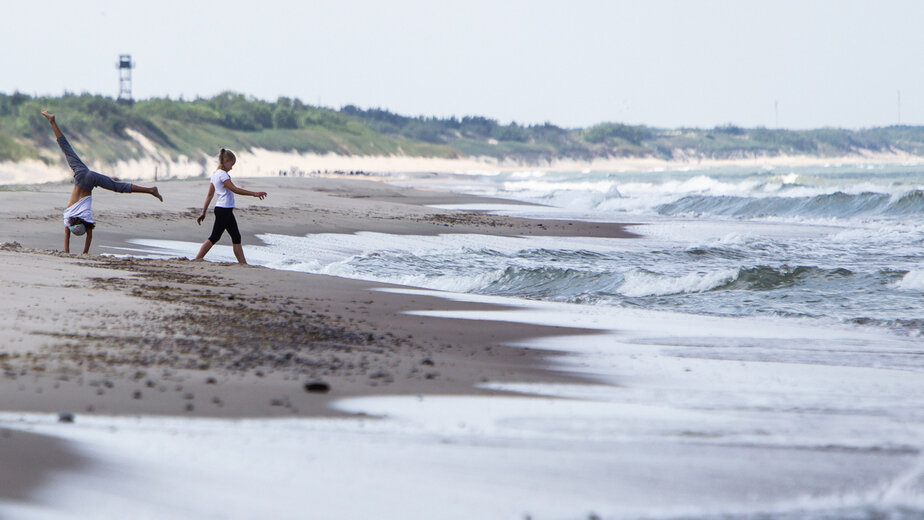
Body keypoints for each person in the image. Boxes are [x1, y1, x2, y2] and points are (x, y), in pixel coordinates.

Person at [42, 110, 162, 254]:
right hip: (81, 174)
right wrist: (68, 251)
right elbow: (67, 235)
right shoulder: (68, 217)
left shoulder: (85, 218)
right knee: (67, 149)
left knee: (117, 187)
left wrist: (84, 252)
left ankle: (150, 190)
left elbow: (89, 235)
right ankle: (52, 121)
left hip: (90, 178)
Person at [193, 148, 267, 264]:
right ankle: (197, 259)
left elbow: (209, 195)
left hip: (224, 210)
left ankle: (243, 264)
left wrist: (203, 211)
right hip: (224, 210)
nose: (232, 167)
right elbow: (234, 189)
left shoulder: (215, 174)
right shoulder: (223, 175)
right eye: (231, 164)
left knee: (236, 237)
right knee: (215, 237)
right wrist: (254, 194)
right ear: (226, 161)